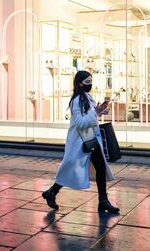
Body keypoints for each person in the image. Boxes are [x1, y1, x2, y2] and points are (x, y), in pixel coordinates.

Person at [42, 70, 120, 214]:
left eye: (91, 82)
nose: (90, 85)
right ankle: (51, 192)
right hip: (80, 142)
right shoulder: (77, 100)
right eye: (87, 83)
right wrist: (95, 113)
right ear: (79, 83)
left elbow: (89, 116)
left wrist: (99, 111)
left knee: (100, 168)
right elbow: (80, 123)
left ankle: (103, 201)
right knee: (70, 169)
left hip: (90, 140)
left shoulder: (86, 96)